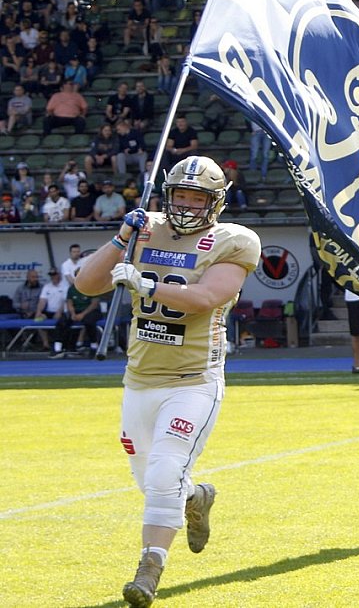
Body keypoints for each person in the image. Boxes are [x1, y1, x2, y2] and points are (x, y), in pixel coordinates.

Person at [70, 156, 262, 608]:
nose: (188, 205)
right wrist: (121, 239)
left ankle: (149, 567)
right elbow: (86, 283)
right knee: (154, 479)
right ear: (167, 194)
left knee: (162, 472)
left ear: (215, 201)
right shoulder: (145, 228)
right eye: (181, 195)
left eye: (198, 198)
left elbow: (205, 298)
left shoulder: (234, 240)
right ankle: (197, 496)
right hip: (140, 377)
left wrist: (145, 284)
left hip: (193, 379)